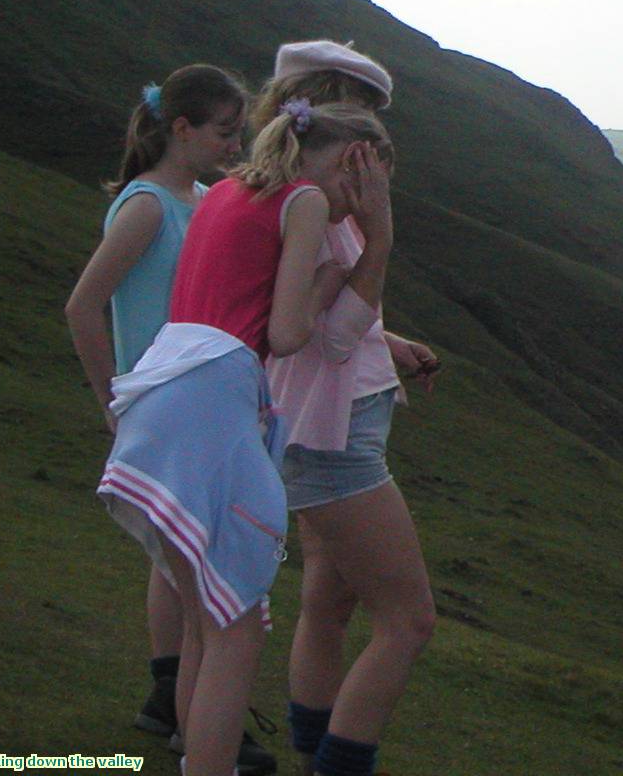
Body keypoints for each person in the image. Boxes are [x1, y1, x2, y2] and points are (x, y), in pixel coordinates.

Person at [96, 98, 394, 776]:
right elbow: (288, 336)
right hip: (214, 396)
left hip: (163, 386)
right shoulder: (305, 203)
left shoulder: (227, 189)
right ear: (355, 162)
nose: (366, 203)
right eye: (370, 184)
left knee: (209, 612)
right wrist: (329, 278)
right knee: (237, 624)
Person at [64, 65, 276, 775]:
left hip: (207, 403)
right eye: (222, 131)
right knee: (199, 564)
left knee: (188, 559)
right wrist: (113, 402)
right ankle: (199, 723)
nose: (234, 144)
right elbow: (83, 305)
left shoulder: (208, 199)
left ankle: (184, 707)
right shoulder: (150, 206)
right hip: (171, 400)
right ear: (180, 128)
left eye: (238, 131)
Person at [253, 41, 438, 776]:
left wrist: (383, 339)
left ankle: (311, 757)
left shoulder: (297, 195)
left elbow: (323, 311)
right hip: (334, 435)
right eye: (366, 113)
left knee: (327, 609)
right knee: (409, 622)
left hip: (319, 421)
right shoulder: (326, 207)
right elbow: (322, 336)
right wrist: (382, 233)